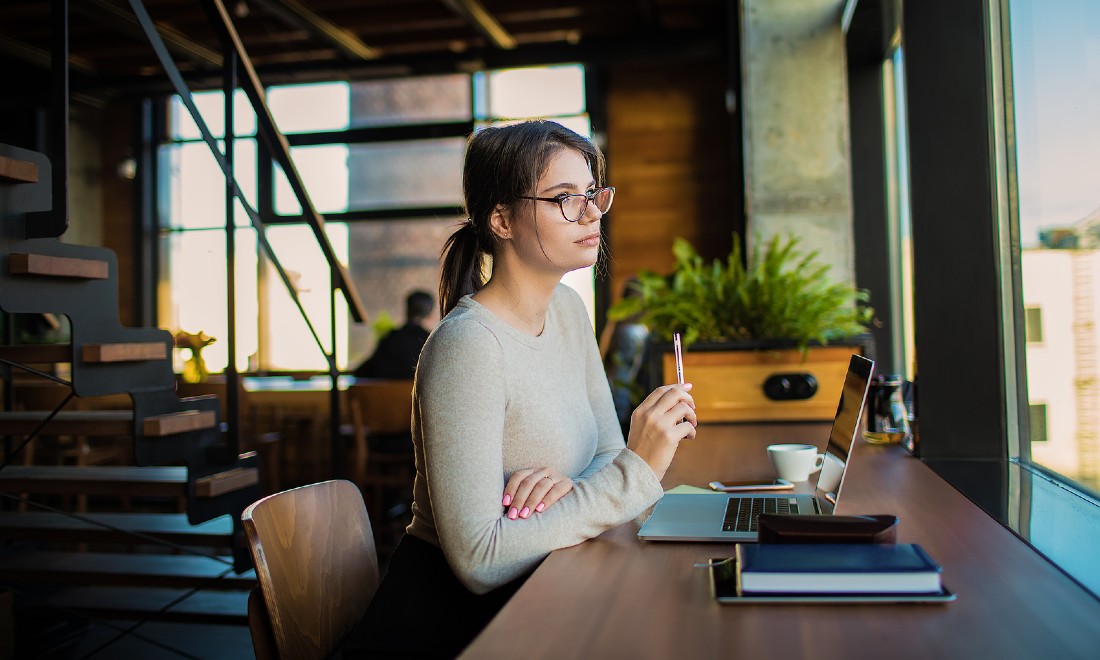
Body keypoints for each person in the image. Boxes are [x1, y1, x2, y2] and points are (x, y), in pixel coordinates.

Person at [343, 120, 697, 659]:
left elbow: (603, 451)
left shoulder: (570, 311)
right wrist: (640, 469)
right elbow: (481, 560)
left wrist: (570, 486)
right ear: (502, 219)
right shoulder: (467, 346)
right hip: (455, 631)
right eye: (563, 199)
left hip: (536, 595)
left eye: (592, 195)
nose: (591, 213)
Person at [353, 290, 434, 380]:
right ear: (429, 312)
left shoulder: (390, 338)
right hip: (415, 393)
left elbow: (365, 371)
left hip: (383, 393)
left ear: (407, 309)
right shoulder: (430, 341)